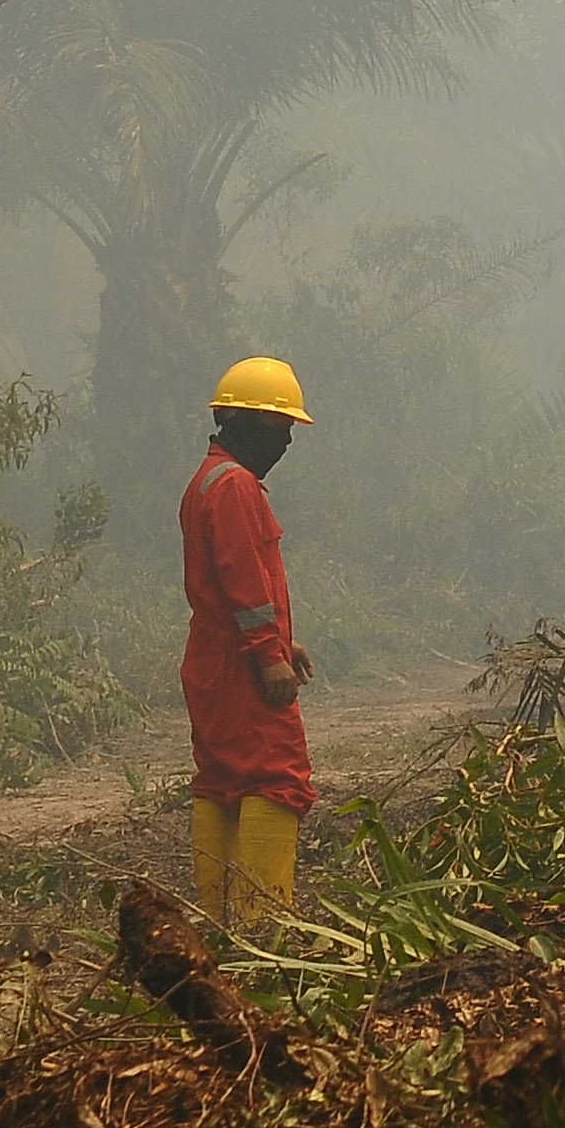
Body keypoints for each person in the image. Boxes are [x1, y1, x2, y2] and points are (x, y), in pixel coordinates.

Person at [181, 356, 316, 923]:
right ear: (248, 424)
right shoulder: (235, 486)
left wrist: (283, 641)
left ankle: (217, 924)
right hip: (240, 666)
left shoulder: (207, 481)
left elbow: (231, 586)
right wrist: (267, 654)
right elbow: (241, 574)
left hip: (213, 660)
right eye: (281, 428)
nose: (286, 443)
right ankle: (264, 928)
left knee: (221, 778)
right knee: (275, 774)